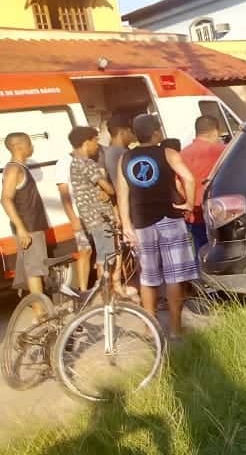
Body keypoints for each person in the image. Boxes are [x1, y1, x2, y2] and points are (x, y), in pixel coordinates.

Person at [117, 114, 198, 338]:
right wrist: (189, 203)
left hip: (141, 222)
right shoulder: (168, 153)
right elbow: (189, 179)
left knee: (148, 277)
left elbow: (122, 194)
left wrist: (126, 224)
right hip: (169, 217)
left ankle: (149, 328)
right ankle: (175, 329)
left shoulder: (125, 158)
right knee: (174, 276)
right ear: (155, 132)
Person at [67, 127, 127, 298]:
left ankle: (106, 293)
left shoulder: (75, 163)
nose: (97, 146)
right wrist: (110, 191)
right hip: (99, 218)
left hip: (91, 218)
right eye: (95, 141)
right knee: (105, 258)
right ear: (86, 142)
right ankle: (105, 296)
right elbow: (109, 188)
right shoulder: (87, 163)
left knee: (104, 256)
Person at [2, 133, 50, 306]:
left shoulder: (19, 168)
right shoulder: (14, 169)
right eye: (30, 143)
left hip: (31, 227)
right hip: (28, 228)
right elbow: (5, 199)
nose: (32, 147)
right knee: (34, 271)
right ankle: (41, 313)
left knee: (34, 270)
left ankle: (40, 311)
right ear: (20, 146)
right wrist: (21, 229)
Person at [180, 115, 227, 252]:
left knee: (201, 251)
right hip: (220, 212)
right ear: (215, 132)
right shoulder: (223, 151)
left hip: (194, 215)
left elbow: (177, 184)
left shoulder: (182, 155)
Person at [54, 150, 93, 294]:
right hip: (78, 214)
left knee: (94, 251)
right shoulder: (63, 162)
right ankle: (83, 290)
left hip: (93, 213)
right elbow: (64, 194)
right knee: (85, 250)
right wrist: (73, 219)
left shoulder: (89, 158)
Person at [104, 114, 134, 184]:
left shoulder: (109, 152)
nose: (131, 135)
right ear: (122, 132)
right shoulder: (120, 154)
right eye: (130, 132)